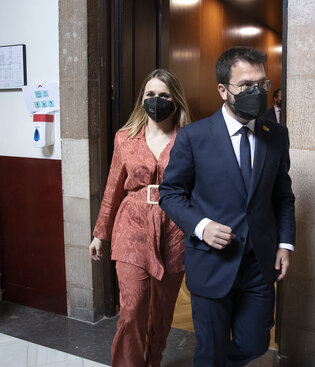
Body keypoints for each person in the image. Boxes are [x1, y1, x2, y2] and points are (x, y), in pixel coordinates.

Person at [159, 46, 296, 367]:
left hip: (259, 265)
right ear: (223, 90)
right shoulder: (194, 137)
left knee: (255, 343)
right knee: (210, 352)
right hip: (211, 264)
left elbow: (283, 195)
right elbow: (170, 193)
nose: (256, 92)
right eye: (245, 85)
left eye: (261, 84)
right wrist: (201, 226)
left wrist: (285, 243)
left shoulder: (276, 135)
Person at [89, 69, 191, 367]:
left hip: (174, 231)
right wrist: (100, 234)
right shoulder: (125, 138)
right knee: (132, 310)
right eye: (150, 94)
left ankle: (153, 361)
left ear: (175, 100)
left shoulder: (190, 138)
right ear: (141, 99)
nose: (156, 100)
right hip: (131, 227)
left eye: (163, 95)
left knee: (161, 313)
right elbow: (112, 188)